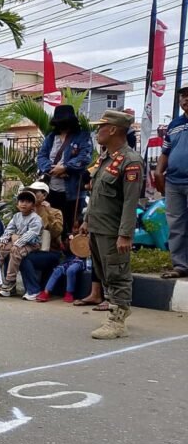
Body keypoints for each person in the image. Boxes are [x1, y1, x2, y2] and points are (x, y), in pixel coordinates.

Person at [79, 109, 143, 339]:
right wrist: (86, 221)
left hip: (113, 230)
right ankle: (117, 310)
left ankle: (117, 321)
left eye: (101, 127)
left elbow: (130, 200)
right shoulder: (106, 158)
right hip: (98, 226)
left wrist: (125, 234)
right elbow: (96, 193)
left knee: (117, 273)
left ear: (113, 129)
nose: (98, 131)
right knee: (104, 273)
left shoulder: (131, 161)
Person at [36, 104, 93, 238]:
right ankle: (56, 252)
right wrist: (52, 169)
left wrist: (66, 167)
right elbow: (41, 156)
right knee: (52, 223)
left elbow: (85, 157)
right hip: (51, 189)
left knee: (73, 224)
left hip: (73, 190)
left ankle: (74, 256)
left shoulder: (82, 136)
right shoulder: (51, 137)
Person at [155, 86, 188, 279]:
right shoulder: (174, 124)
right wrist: (158, 171)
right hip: (174, 181)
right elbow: (165, 152)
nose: (185, 99)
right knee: (176, 224)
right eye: (183, 96)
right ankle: (181, 265)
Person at [16, 181, 65, 298]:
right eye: (30, 191)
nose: (31, 193)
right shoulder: (26, 211)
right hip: (30, 248)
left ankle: (33, 290)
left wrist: (48, 213)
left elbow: (57, 232)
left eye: (35, 192)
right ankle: (10, 287)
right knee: (11, 252)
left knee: (24, 258)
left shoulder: (55, 212)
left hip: (50, 251)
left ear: (44, 195)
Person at [0, 190, 43, 299]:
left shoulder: (35, 218)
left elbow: (31, 234)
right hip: (17, 241)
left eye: (28, 202)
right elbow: (9, 229)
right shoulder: (16, 216)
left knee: (15, 251)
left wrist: (17, 243)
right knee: (0, 248)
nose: (24, 204)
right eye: (21, 201)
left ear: (33, 205)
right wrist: (3, 240)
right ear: (17, 204)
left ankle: (10, 281)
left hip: (31, 244)